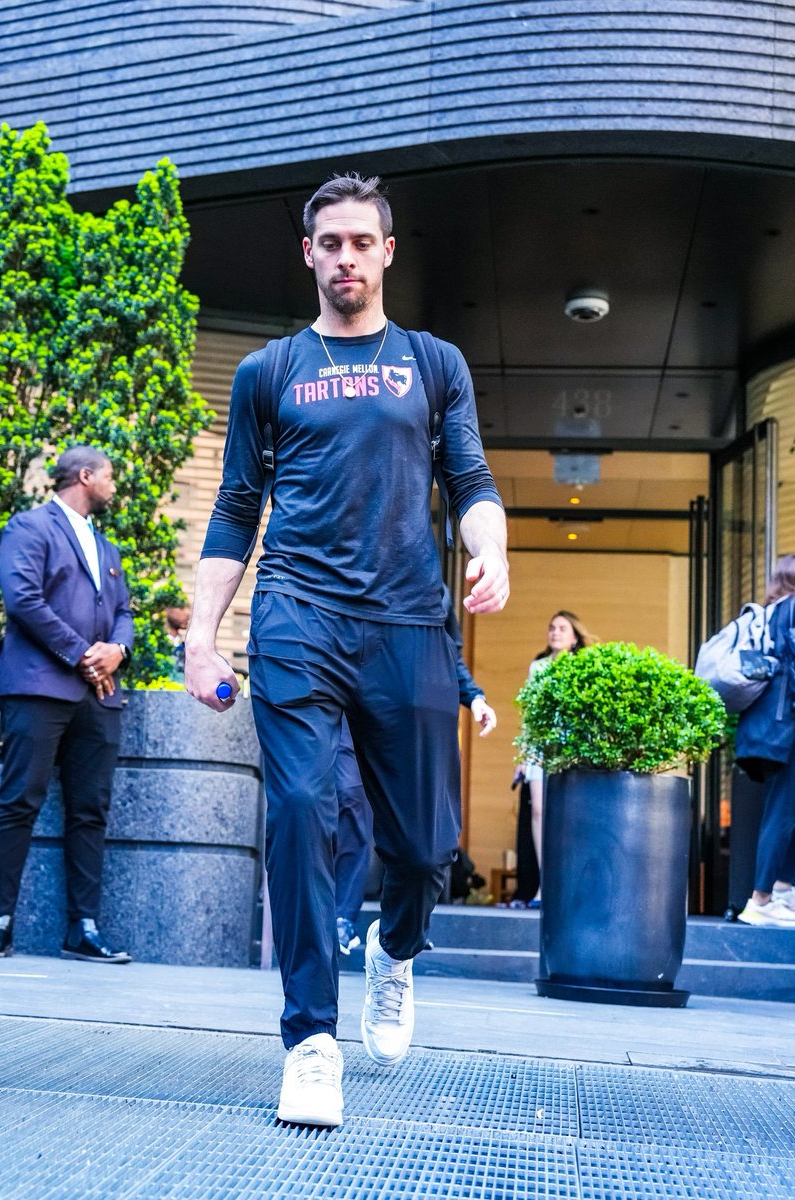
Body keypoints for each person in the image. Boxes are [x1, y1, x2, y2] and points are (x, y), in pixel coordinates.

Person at [185, 172, 509, 1128]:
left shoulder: (434, 363)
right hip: (297, 617)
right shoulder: (270, 372)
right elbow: (237, 508)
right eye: (330, 243)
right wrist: (203, 637)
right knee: (297, 810)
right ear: (309, 254)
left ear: (388, 252)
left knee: (422, 851)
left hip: (409, 622)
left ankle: (395, 953)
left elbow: (473, 478)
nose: (346, 259)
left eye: (362, 243)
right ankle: (310, 1042)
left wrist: (489, 549)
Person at [0, 445, 134, 964]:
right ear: (85, 476)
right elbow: (22, 599)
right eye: (109, 477)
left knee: (91, 812)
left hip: (99, 697)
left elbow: (125, 613)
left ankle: (82, 929)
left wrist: (118, 649)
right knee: (19, 802)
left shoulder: (107, 548)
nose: (114, 486)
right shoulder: (30, 527)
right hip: (40, 688)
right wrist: (82, 652)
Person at [336, 600, 496, 953]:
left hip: (407, 723)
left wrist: (474, 696)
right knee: (350, 802)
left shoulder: (430, 590)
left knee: (425, 841)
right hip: (348, 710)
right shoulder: (348, 574)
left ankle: (399, 937)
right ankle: (342, 917)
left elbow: (448, 653)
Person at [513, 611, 595, 907]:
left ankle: (569, 884)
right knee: (539, 813)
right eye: (552, 627)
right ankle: (544, 885)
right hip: (540, 748)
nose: (555, 632)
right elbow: (530, 713)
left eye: (562, 628)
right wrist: (524, 752)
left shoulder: (582, 668)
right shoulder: (538, 667)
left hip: (571, 750)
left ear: (574, 637)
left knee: (569, 816)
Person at [734, 555, 795, 928]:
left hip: (769, 730)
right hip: (787, 728)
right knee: (782, 815)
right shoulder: (792, 611)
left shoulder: (772, 613)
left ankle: (782, 893)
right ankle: (760, 900)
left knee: (786, 813)